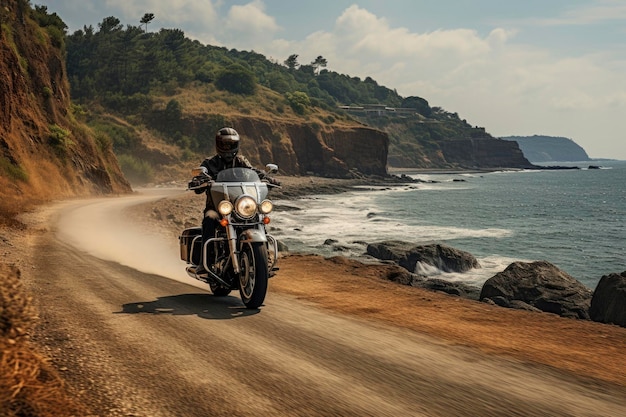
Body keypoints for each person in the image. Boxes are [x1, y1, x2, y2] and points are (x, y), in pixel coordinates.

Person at [189, 127, 278, 273]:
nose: (227, 147)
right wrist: (198, 181)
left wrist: (266, 177)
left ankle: (264, 257)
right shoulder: (209, 163)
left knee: (259, 218)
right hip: (218, 207)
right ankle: (204, 263)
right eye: (224, 144)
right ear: (218, 144)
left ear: (236, 145)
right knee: (209, 219)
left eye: (230, 144)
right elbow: (199, 179)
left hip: (239, 206)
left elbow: (253, 172)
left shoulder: (241, 161)